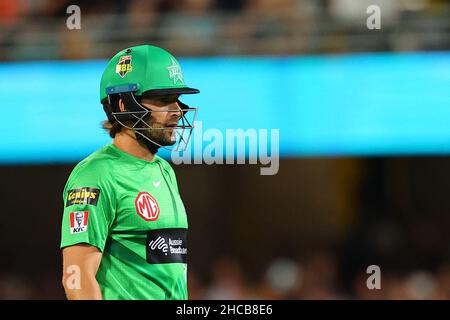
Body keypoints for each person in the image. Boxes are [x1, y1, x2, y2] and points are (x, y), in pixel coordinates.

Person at [60, 44, 200, 300]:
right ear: (124, 104)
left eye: (178, 99)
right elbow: (76, 276)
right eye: (162, 100)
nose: (178, 111)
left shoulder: (164, 170)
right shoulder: (95, 175)